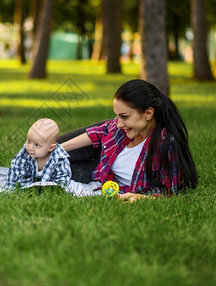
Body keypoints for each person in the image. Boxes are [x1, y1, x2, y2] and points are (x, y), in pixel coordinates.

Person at [59, 79, 198, 199]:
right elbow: (99, 132)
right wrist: (58, 149)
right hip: (103, 168)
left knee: (50, 171)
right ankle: (45, 150)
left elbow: (173, 192)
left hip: (101, 179)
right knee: (46, 156)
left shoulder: (165, 143)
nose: (119, 123)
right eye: (117, 116)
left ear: (148, 113)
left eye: (124, 116)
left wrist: (139, 197)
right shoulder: (121, 127)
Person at [6, 118, 71, 188]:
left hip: (50, 184)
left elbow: (63, 178)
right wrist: (11, 188)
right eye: (29, 141)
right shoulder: (24, 153)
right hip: (29, 182)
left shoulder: (59, 158)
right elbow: (15, 169)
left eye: (36, 145)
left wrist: (57, 189)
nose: (30, 147)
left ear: (51, 148)